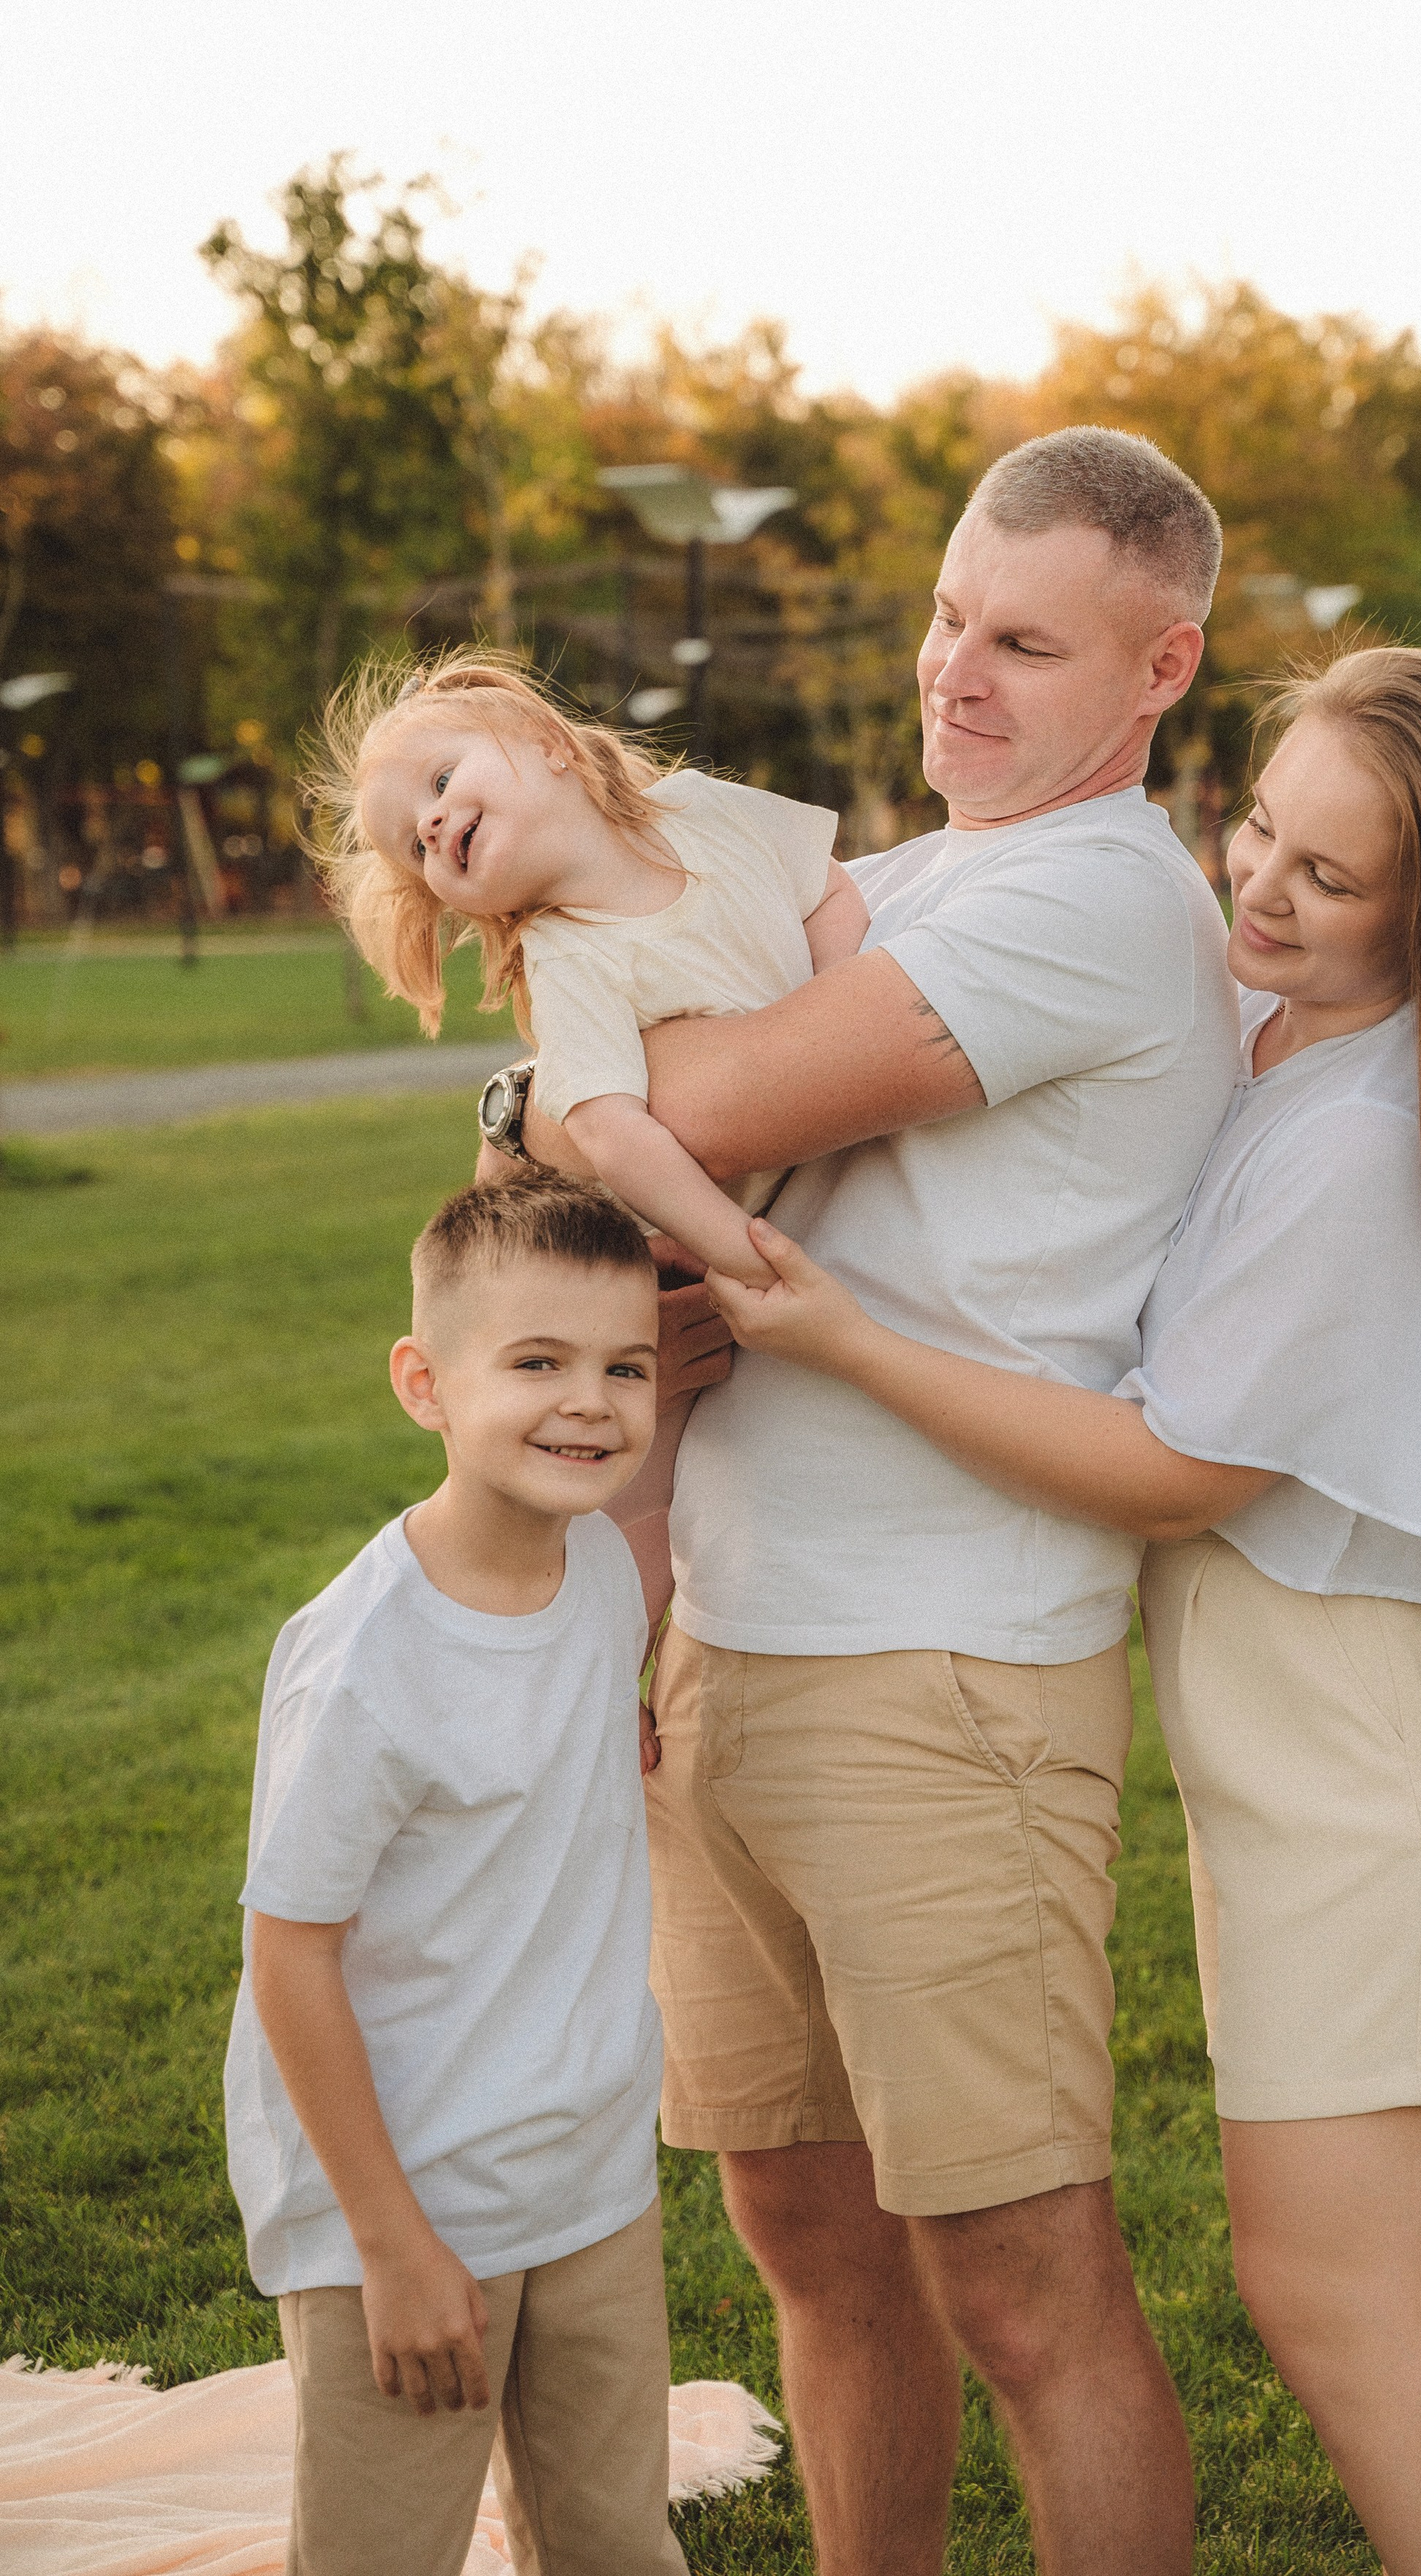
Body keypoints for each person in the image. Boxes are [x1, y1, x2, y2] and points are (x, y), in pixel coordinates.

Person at [704, 644, 1421, 2576]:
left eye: (1325, 874)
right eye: (1257, 825)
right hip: (1344, 1760)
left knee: (1340, 2307)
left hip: (1387, 1787)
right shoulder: (1281, 1026)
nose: (1256, 887)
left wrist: (845, 1336)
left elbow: (1172, 1467)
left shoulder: (1370, 1135)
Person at [493, 425, 1238, 2576]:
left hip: (945, 1677)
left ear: (1160, 665)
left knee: (1025, 2285)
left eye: (1023, 641)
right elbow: (560, 1152)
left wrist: (592, 1103)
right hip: (722, 1642)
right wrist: (578, 1129)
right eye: (942, 614)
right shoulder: (902, 889)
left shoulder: (1097, 898)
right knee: (810, 2249)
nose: (956, 675)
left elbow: (675, 1098)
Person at [223, 1172, 689, 2576]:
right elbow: (288, 1954)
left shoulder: (603, 1569)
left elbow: (564, 1732)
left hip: (593, 2174)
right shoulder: (365, 1664)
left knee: (614, 2540)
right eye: (536, 1363)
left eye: (626, 1368)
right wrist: (392, 2245)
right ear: (424, 1385)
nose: (589, 1403)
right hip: (411, 2208)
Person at [307, 649, 868, 1604]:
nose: (435, 822)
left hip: (746, 1207)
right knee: (630, 1485)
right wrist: (735, 1248)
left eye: (442, 782)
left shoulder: (706, 809)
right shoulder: (570, 960)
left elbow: (829, 890)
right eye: (415, 844)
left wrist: (816, 1030)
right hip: (652, 1253)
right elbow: (611, 1133)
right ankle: (610, 1670)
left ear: (548, 742)